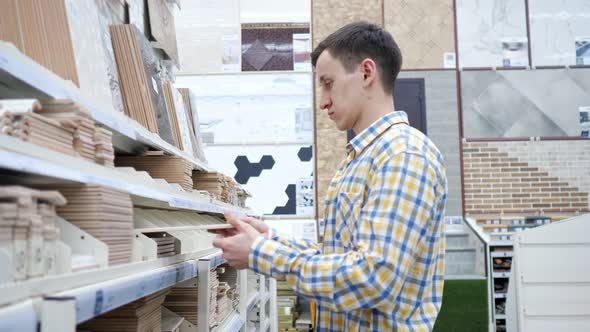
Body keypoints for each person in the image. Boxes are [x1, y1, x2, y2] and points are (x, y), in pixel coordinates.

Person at [213, 21, 448, 331]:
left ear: (366, 73)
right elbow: (340, 258)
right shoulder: (363, 157)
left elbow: (372, 278)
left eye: (328, 83)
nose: (322, 101)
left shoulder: (403, 156)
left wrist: (261, 253)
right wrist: (271, 241)